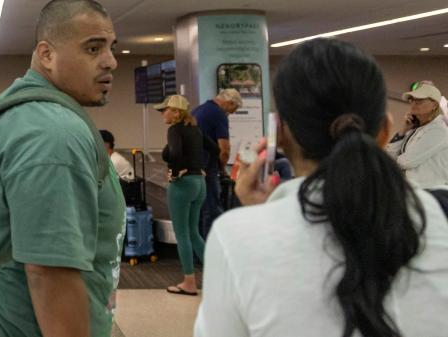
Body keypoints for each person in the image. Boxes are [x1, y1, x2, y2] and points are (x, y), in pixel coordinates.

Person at [195, 38, 448, 337]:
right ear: (383, 131)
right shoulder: (438, 217)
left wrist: (259, 218)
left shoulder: (234, 236)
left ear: (280, 135)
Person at [0, 0, 125, 337]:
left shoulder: (14, 110)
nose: (111, 62)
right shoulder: (53, 134)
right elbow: (50, 274)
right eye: (93, 49)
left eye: (111, 47)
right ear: (47, 54)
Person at [158, 93, 209, 296]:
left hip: (182, 185)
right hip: (199, 182)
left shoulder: (175, 130)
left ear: (176, 113)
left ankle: (189, 282)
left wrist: (171, 162)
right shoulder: (195, 129)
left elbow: (176, 153)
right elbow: (213, 148)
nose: (162, 113)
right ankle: (217, 277)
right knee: (194, 233)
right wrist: (199, 166)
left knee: (182, 235)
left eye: (165, 109)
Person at [191, 88, 242, 237]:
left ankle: (198, 253)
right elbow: (224, 149)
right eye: (234, 109)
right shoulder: (219, 114)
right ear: (229, 102)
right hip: (207, 167)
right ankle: (211, 250)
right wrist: (221, 169)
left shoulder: (198, 110)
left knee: (198, 211)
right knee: (212, 209)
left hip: (193, 168)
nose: (232, 113)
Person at [386, 82, 448, 188]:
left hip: (431, 193)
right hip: (413, 190)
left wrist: (392, 161)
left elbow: (407, 162)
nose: (414, 103)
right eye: (412, 100)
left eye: (419, 100)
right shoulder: (415, 130)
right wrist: (403, 130)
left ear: (434, 105)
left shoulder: (438, 130)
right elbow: (390, 154)